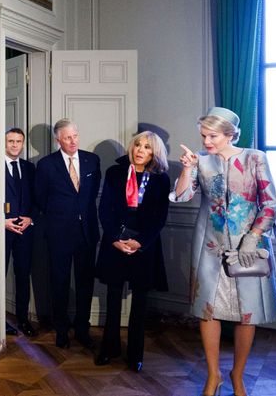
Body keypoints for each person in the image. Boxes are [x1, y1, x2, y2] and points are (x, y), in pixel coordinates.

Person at [172, 107, 276, 396]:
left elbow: (270, 203)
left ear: (230, 134)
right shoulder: (201, 161)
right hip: (209, 244)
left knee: (248, 313)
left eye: (212, 136)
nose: (206, 141)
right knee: (208, 311)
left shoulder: (255, 158)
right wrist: (187, 168)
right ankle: (213, 376)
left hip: (249, 244)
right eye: (203, 135)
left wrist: (254, 236)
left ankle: (238, 374)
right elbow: (182, 195)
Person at [94, 131, 170, 372]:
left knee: (140, 303)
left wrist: (140, 243)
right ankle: (109, 348)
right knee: (113, 298)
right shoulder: (115, 172)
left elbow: (160, 218)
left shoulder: (161, 178)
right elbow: (104, 209)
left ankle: (135, 354)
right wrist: (116, 239)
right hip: (115, 241)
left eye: (147, 147)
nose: (140, 150)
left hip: (144, 245)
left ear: (154, 153)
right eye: (138, 145)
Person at [35, 118, 101, 349]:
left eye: (75, 136)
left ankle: (82, 329)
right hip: (59, 234)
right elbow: (41, 200)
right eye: (67, 138)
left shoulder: (92, 160)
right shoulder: (45, 165)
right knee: (59, 283)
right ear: (58, 140)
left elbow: (91, 195)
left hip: (87, 233)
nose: (73, 141)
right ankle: (61, 330)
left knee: (85, 284)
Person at [4, 128, 39, 337]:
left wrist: (30, 218)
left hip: (25, 231)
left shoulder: (29, 168)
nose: (15, 145)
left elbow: (37, 199)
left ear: (23, 144)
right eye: (11, 141)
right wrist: (2, 221)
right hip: (3, 230)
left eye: (18, 141)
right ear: (4, 143)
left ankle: (23, 320)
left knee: (23, 275)